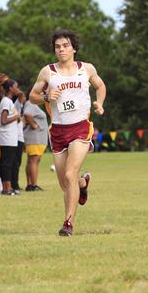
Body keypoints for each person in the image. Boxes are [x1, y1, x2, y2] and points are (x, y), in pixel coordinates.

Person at [30, 29, 106, 236]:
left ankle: (68, 223)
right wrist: (46, 96)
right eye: (57, 46)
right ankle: (83, 183)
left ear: (73, 48)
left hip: (80, 126)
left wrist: (99, 103)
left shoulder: (86, 69)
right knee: (66, 182)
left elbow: (100, 86)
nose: (61, 49)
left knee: (70, 173)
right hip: (58, 130)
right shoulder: (48, 72)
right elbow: (32, 96)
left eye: (65, 45)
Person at [0, 79, 22, 196]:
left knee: (9, 162)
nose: (18, 89)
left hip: (10, 137)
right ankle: (7, 188)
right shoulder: (6, 101)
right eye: (16, 87)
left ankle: (8, 187)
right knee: (7, 163)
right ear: (11, 88)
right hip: (7, 137)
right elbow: (3, 120)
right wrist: (16, 117)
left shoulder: (9, 101)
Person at [23, 90, 48, 191]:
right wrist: (34, 125)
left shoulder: (33, 105)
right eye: (41, 94)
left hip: (36, 138)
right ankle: (33, 185)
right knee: (34, 161)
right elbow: (27, 114)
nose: (43, 96)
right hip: (35, 138)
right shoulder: (31, 103)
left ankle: (30, 184)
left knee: (31, 161)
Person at [12, 91, 26, 193]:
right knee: (16, 162)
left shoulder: (20, 106)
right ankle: (14, 184)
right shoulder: (16, 104)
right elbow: (20, 95)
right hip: (16, 138)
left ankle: (15, 183)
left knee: (18, 162)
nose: (24, 98)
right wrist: (18, 92)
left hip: (20, 137)